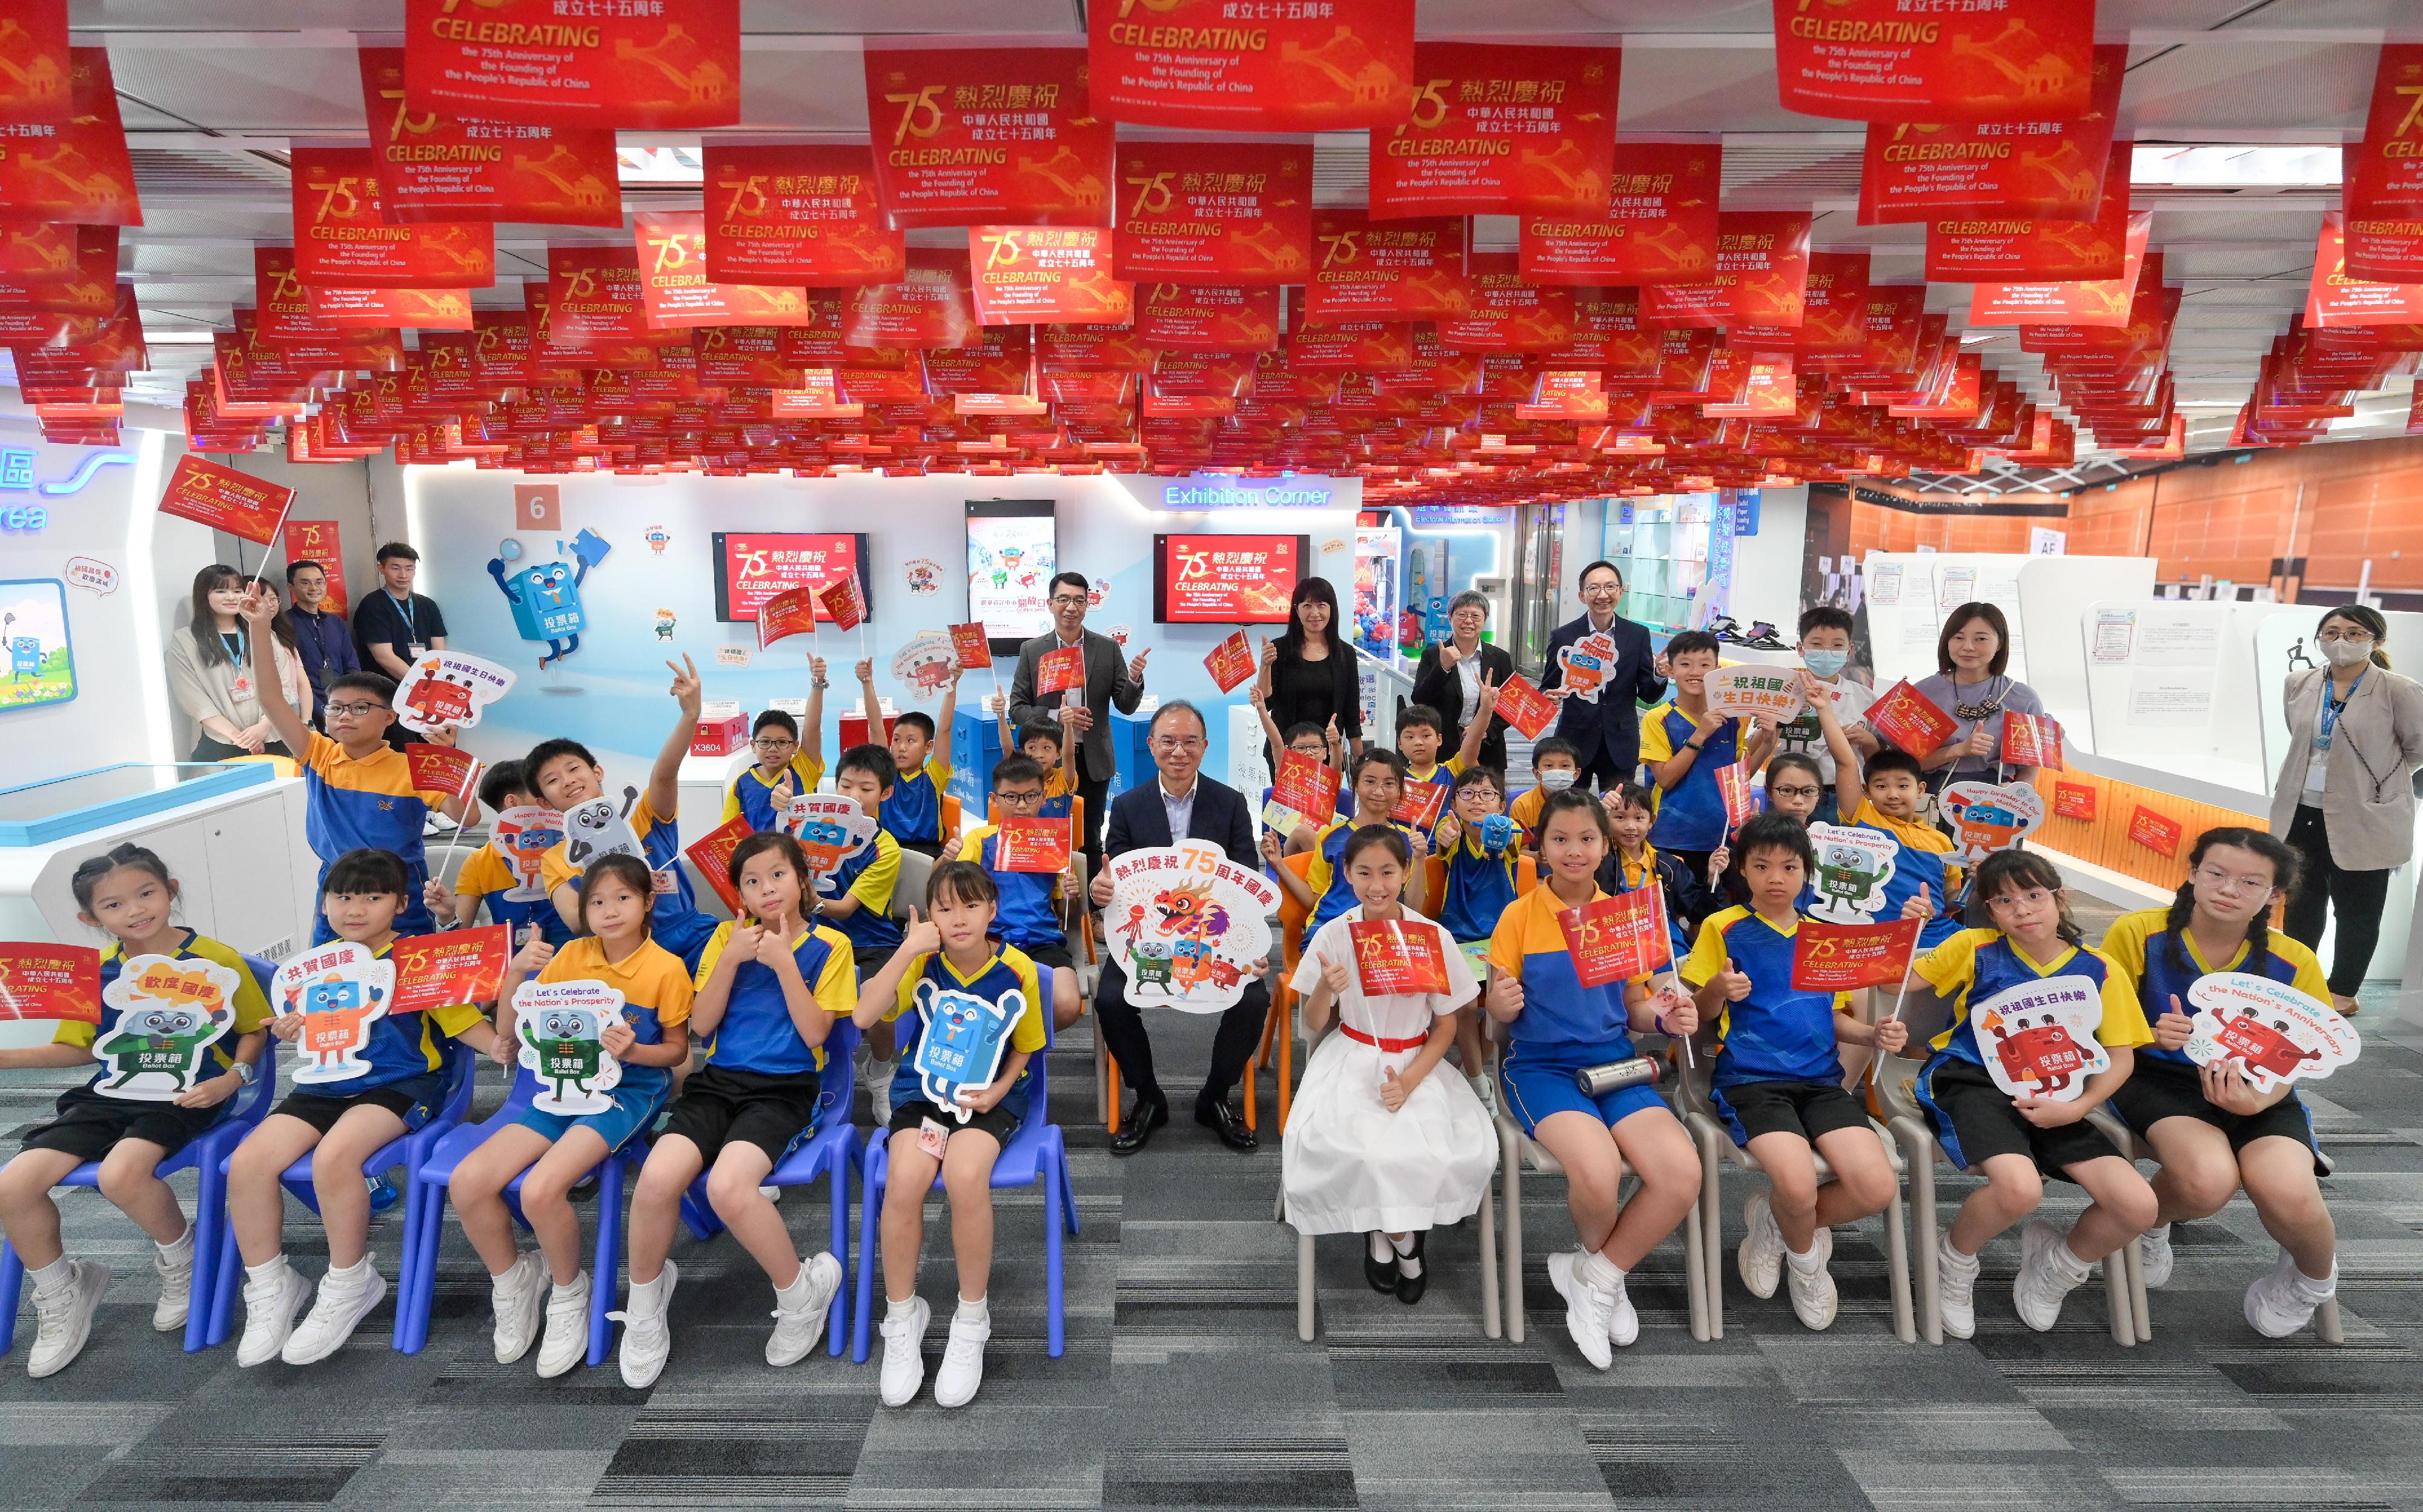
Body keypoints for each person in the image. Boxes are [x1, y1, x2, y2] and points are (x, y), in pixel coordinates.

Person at [0, 845, 271, 1378]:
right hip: (111, 1091)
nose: (136, 910)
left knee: (122, 1174)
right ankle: (62, 1289)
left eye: (146, 894)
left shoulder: (217, 960)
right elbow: (82, 1049)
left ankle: (183, 1258)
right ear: (91, 918)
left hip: (188, 1093)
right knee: (13, 1184)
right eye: (114, 905)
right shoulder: (97, 972)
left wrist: (232, 1079)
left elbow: (252, 1031)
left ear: (170, 889)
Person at [228, 849, 500, 1367]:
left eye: (373, 898)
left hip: (401, 1085)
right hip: (325, 1085)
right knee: (249, 1162)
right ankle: (271, 1285)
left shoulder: (417, 958)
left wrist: (501, 1046)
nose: (355, 909)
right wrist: (291, 1028)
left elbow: (462, 1023)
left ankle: (350, 1279)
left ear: (400, 904)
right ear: (324, 902)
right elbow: (309, 1026)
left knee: (336, 1157)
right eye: (342, 897)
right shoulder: (315, 967)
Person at [618, 833, 852, 1388]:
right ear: (738, 894)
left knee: (728, 1187)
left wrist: (784, 964)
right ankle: (646, 1309)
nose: (766, 889)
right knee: (656, 1178)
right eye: (751, 881)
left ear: (802, 880)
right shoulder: (727, 936)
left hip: (786, 1089)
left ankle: (801, 1294)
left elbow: (818, 1031)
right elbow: (701, 1026)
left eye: (777, 876)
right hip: (718, 1083)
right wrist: (729, 958)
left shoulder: (830, 945)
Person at [1486, 788, 1703, 1370]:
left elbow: (1634, 1007)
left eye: (1586, 839)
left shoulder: (1622, 916)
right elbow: (1497, 1021)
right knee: (1599, 1170)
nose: (1574, 851)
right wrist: (1501, 1002)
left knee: (1681, 1174)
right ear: (1542, 846)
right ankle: (1604, 1266)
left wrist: (1662, 1013)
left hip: (1615, 1064)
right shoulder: (1518, 915)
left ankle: (1599, 1274)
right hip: (1542, 1068)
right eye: (1560, 839)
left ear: (1605, 845)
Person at [452, 854, 692, 1377]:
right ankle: (515, 1280)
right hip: (558, 1089)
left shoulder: (666, 969)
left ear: (648, 902)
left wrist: (633, 1053)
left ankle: (568, 1293)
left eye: (623, 899)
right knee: (468, 1181)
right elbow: (513, 1029)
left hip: (626, 1095)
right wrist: (516, 971)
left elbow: (677, 1053)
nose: (610, 911)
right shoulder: (569, 956)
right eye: (597, 902)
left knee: (541, 1190)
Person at [1904, 850, 2158, 1338]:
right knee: (2020, 1188)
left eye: (2034, 895)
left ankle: (2058, 1266)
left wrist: (2078, 1108)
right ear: (1990, 910)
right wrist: (1908, 927)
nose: (2022, 909)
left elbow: (2121, 1058)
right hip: (1971, 1079)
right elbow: (1899, 980)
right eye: (2005, 900)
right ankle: (1954, 1259)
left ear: (2059, 899)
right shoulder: (1973, 947)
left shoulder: (2100, 969)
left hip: (2058, 1093)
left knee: (2138, 1205)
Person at [2100, 826, 2342, 1338]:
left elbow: (2302, 1055)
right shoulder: (2137, 932)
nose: (2230, 890)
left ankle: (2312, 1282)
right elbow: (2098, 1021)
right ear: (2192, 874)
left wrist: (2257, 1101)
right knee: (2208, 1182)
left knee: (2289, 1193)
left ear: (2274, 896)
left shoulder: (2294, 960)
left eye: (2251, 883)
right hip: (2160, 1081)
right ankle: (2153, 1222)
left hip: (2261, 1089)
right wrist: (2147, 1033)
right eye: (2216, 874)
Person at [1681, 815, 1911, 1330]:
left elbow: (1832, 1018)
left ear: (1807, 873)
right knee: (1798, 1182)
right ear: (1742, 870)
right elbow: (1697, 1017)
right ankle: (1808, 1264)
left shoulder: (1824, 936)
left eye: (1789, 867)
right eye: (1761, 866)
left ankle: (1777, 1221)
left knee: (1875, 1188)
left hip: (1822, 1084)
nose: (1776, 877)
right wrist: (1718, 989)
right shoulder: (1723, 928)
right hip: (1751, 1083)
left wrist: (1872, 1036)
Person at [850, 863, 1049, 1409]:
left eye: (970, 905)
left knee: (965, 1177)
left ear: (992, 910)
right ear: (929, 916)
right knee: (905, 1182)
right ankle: (902, 1314)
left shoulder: (1017, 969)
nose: (957, 919)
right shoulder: (923, 964)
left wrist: (997, 1090)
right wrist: (907, 950)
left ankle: (970, 1316)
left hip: (989, 1098)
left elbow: (1028, 1044)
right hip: (924, 1095)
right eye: (944, 908)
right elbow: (865, 1013)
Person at [1284, 826, 1494, 1304]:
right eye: (1363, 873)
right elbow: (1314, 1024)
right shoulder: (1335, 934)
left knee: (1438, 1152)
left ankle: (1382, 1231)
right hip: (1351, 1056)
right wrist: (1324, 990)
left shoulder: (1430, 937)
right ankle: (1404, 1243)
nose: (1376, 885)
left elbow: (1447, 1025)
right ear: (1346, 874)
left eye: (1387, 872)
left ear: (1406, 873)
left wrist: (1411, 1079)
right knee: (1365, 1152)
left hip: (1418, 1059)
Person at [1085, 701, 1276, 1155]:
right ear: (1151, 747)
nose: (1178, 751)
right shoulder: (1128, 806)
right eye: (1168, 741)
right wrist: (1102, 893)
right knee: (1111, 998)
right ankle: (1149, 1097)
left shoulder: (1229, 804)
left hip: (1214, 941)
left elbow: (1246, 881)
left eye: (1190, 741)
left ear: (1205, 747)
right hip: (1150, 942)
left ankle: (1214, 1096)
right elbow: (1117, 879)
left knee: (1253, 998)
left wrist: (1246, 942)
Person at [239, 586, 468, 941]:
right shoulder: (319, 754)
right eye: (336, 708)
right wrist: (258, 625)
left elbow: (467, 818)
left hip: (399, 890)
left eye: (360, 708)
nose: (345, 716)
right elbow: (270, 698)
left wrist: (448, 763)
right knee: (334, 979)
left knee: (406, 981)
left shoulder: (412, 766)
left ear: (390, 717)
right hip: (338, 886)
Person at [2267, 603, 2423, 1016]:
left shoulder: (2399, 690)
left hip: (2365, 813)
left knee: (2358, 909)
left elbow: (2417, 748)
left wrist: (2376, 782)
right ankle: (2301, 980)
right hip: (2300, 809)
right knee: (2302, 903)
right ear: (2320, 637)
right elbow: (2301, 737)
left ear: (2376, 641)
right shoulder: (2299, 683)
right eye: (2332, 632)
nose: (2342, 642)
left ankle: (2343, 991)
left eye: (2355, 634)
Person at [528, 654, 720, 970]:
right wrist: (617, 891)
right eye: (552, 780)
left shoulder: (642, 816)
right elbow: (578, 922)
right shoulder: (556, 859)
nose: (568, 781)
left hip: (691, 940)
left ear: (598, 772)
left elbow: (664, 775)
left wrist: (690, 715)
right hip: (621, 956)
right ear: (545, 803)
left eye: (574, 768)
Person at [1006, 571, 1149, 873]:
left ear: (1087, 605)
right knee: (1044, 834)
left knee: (1091, 837)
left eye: (1079, 601)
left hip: (1093, 760)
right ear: (1050, 603)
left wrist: (1134, 680)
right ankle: (1050, 905)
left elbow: (1125, 705)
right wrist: (1057, 717)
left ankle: (1092, 911)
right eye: (1064, 599)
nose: (1071, 607)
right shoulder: (1032, 650)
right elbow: (1016, 708)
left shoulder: (1107, 648)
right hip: (1048, 761)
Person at [943, 754, 1084, 1030]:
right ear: (995, 799)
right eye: (1011, 797)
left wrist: (1071, 896)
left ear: (1044, 798)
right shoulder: (978, 840)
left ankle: (1017, 1044)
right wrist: (948, 860)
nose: (1021, 805)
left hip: (1042, 941)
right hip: (986, 942)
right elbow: (951, 894)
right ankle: (1004, 1048)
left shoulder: (1054, 843)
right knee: (969, 1003)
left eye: (1031, 796)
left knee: (1067, 1005)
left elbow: (1069, 915)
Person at [1639, 629, 1775, 884]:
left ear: (1717, 670)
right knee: (1671, 907)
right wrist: (1700, 735)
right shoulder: (1657, 719)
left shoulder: (1731, 718)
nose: (1695, 672)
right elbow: (1666, 779)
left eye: (1705, 665)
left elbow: (1739, 778)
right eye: (1685, 664)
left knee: (1712, 908)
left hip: (1721, 836)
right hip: (1670, 833)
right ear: (1670, 670)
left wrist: (1768, 743)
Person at [1268, 749, 1431, 947]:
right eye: (1370, 781)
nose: (1379, 791)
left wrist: (1420, 858)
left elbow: (1415, 908)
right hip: (1330, 934)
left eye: (1389, 784)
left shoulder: (1409, 840)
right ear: (1355, 784)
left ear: (1400, 791)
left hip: (1386, 940)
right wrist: (1278, 863)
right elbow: (1313, 899)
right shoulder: (1330, 836)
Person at [1431, 764, 1519, 1107]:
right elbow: (1445, 843)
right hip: (1459, 939)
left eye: (1487, 794)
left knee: (1511, 1001)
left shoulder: (1508, 833)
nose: (1477, 800)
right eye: (1467, 794)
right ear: (1455, 803)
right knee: (1466, 1002)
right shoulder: (1451, 834)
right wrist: (1446, 836)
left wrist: (1503, 832)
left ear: (1501, 804)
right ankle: (1479, 1083)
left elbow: (1509, 842)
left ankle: (1471, 1065)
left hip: (1503, 939)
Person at [1539, 560, 1666, 793]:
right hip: (1574, 740)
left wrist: (1659, 674)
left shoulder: (1637, 635)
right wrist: (1549, 697)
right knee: (1572, 809)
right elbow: (1546, 687)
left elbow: (1648, 695)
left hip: (1621, 741)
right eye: (1594, 588)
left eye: (1610, 587)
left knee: (1617, 811)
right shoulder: (1564, 636)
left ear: (1621, 591)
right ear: (1582, 595)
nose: (1602, 595)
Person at [168, 565, 308, 760]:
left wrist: (263, 728)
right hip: (220, 743)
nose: (231, 597)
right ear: (203, 596)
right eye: (221, 591)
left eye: (237, 591)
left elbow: (284, 682)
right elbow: (194, 700)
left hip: (273, 736)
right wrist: (241, 738)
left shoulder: (262, 632)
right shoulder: (186, 641)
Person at [428, 760, 573, 946]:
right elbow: (459, 937)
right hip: (512, 964)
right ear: (512, 802)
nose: (551, 800)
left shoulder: (572, 848)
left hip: (574, 959)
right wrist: (447, 916)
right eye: (541, 794)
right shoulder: (480, 862)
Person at [1915, 602, 2046, 788]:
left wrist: (2017, 790)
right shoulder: (1922, 693)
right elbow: (1910, 764)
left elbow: (2029, 767)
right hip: (1931, 795)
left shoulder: (2024, 698)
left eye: (1981, 639)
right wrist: (1960, 750)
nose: (1968, 647)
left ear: (1999, 644)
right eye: (1958, 637)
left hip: (1996, 797)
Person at [1772, 606, 1878, 824]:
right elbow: (1757, 743)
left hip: (1842, 794)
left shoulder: (1865, 698)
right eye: (1817, 644)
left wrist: (1870, 741)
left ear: (1850, 651)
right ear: (1801, 648)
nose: (1827, 652)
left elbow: (1874, 759)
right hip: (1789, 793)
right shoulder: (1780, 691)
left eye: (1837, 645)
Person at [1849, 749, 1963, 949]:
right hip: (1878, 937)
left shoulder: (1942, 841)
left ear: (1920, 790)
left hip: (1934, 932)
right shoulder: (1864, 820)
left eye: (1903, 786)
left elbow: (1949, 901)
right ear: (1866, 791)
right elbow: (1845, 762)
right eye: (1881, 786)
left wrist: (1977, 884)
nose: (1893, 795)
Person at [1256, 577, 1364, 772]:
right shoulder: (1280, 648)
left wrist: (1361, 760)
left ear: (1332, 609)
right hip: (1286, 751)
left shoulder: (1345, 654)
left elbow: (1351, 713)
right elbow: (1266, 701)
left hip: (1328, 753)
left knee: (1326, 803)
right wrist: (1265, 666)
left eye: (1321, 605)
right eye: (1307, 606)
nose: (1315, 614)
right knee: (1289, 804)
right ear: (1297, 610)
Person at [1597, 781, 1708, 960]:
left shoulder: (1668, 866)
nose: (1631, 826)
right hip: (1615, 939)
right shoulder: (1598, 860)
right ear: (1607, 821)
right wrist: (1598, 814)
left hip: (1662, 938)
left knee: (1673, 978)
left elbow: (1697, 911)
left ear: (1652, 821)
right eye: (1620, 818)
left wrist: (1712, 880)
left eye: (1639, 818)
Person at [1410, 589, 1517, 772]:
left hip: (1487, 750)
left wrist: (1485, 730)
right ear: (1450, 618)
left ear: (1485, 619)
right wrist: (1442, 668)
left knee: (1485, 799)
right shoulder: (1433, 655)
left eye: (1476, 616)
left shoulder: (1500, 658)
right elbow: (1419, 699)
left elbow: (1510, 706)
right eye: (1462, 615)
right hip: (1443, 748)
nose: (1469, 621)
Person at [864, 656, 959, 857]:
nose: (901, 748)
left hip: (928, 852)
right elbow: (875, 726)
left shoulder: (934, 776)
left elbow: (944, 730)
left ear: (928, 747)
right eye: (897, 740)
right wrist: (867, 683)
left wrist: (952, 686)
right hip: (887, 850)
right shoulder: (885, 774)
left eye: (910, 741)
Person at [725, 661, 827, 834]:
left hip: (799, 859)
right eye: (765, 742)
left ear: (795, 746)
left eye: (782, 742)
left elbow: (812, 728)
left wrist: (818, 685)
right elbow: (727, 833)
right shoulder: (741, 783)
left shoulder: (804, 769)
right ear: (753, 745)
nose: (773, 749)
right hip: (758, 859)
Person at [352, 541, 448, 681]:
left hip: (427, 683)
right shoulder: (372, 605)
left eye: (409, 569)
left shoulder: (428, 605)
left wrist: (435, 682)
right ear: (381, 569)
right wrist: (420, 682)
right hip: (387, 688)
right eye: (396, 568)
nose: (403, 575)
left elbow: (439, 652)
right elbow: (384, 657)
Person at [283, 558, 359, 727]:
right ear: (291, 587)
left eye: (319, 582)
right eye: (305, 583)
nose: (314, 588)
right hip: (306, 709)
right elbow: (289, 676)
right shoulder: (284, 623)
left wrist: (351, 700)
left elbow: (351, 664)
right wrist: (323, 710)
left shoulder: (335, 622)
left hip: (343, 705)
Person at [996, 705, 1076, 819]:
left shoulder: (1062, 779)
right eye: (1032, 748)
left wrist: (1068, 725)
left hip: (1055, 837)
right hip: (1022, 836)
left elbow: (1069, 755)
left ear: (1059, 753)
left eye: (1047, 748)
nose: (1039, 755)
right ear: (1023, 752)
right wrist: (1001, 715)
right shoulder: (1019, 776)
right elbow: (1007, 749)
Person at [1511, 737, 1582, 847]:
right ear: (1536, 773)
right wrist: (1540, 857)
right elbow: (1520, 852)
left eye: (1565, 766)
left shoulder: (1585, 804)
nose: (1557, 772)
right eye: (1549, 766)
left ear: (1576, 773)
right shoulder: (1523, 805)